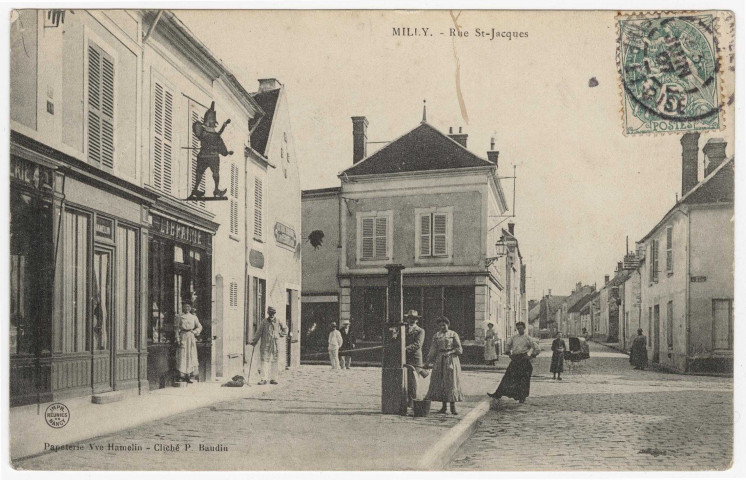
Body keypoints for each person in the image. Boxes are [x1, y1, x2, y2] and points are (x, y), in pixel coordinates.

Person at [488, 322, 540, 403]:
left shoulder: (528, 338)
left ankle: (522, 397)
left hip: (523, 359)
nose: (519, 330)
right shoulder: (514, 337)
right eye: (518, 328)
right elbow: (508, 345)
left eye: (521, 328)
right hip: (515, 359)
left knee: (523, 379)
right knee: (508, 377)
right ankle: (498, 394)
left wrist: (531, 356)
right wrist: (509, 353)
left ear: (524, 328)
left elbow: (537, 348)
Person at [190, 102, 234, 198]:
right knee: (215, 174)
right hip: (213, 157)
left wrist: (224, 126)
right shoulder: (214, 136)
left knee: (200, 173)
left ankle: (195, 189)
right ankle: (216, 190)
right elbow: (221, 145)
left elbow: (217, 136)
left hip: (203, 156)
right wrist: (226, 152)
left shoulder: (204, 133)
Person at [425, 317, 464, 415]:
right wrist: (427, 362)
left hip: (451, 360)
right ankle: (443, 407)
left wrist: (450, 352)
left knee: (451, 382)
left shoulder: (453, 334)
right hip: (439, 360)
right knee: (441, 382)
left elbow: (459, 349)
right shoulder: (436, 336)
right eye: (440, 325)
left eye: (444, 325)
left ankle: (453, 407)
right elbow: (433, 350)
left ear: (448, 324)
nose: (442, 327)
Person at [250, 306, 288, 385]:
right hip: (265, 344)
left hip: (275, 344)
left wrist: (281, 334)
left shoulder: (278, 321)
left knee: (275, 360)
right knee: (264, 361)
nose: (272, 315)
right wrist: (254, 341)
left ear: (275, 313)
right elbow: (258, 332)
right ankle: (263, 379)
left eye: (273, 313)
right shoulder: (264, 322)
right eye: (270, 313)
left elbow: (285, 329)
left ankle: (274, 379)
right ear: (268, 313)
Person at [176, 302, 202, 383]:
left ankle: (191, 375)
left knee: (191, 354)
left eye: (188, 307)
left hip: (191, 337)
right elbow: (176, 328)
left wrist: (195, 332)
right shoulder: (180, 317)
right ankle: (182, 375)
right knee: (183, 355)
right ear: (183, 308)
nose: (187, 308)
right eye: (185, 307)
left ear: (190, 308)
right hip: (183, 336)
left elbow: (199, 326)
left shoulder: (194, 317)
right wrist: (177, 338)